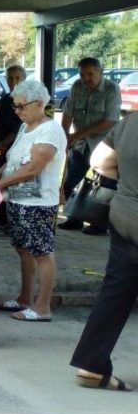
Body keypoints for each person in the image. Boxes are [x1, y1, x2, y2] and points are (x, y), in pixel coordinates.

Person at [70, 114, 137, 391]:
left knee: (115, 292)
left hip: (125, 215)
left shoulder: (130, 122)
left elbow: (98, 161)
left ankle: (92, 365)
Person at [0, 80, 67, 322]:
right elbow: (13, 158)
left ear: (39, 104)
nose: (17, 111)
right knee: (23, 249)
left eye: (21, 106)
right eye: (15, 106)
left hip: (37, 204)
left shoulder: (50, 131)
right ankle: (25, 297)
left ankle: (42, 306)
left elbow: (32, 169)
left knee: (42, 252)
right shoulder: (26, 127)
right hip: (18, 200)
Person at [59, 57, 122, 234]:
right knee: (72, 180)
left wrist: (76, 134)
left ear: (100, 71)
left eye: (90, 74)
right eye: (82, 74)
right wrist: (64, 136)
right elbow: (67, 113)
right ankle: (74, 218)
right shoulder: (77, 86)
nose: (86, 78)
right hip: (80, 144)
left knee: (104, 186)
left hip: (105, 146)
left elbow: (109, 121)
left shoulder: (111, 88)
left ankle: (100, 224)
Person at [0, 65, 28, 228]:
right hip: (4, 147)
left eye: (17, 78)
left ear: (24, 79)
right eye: (10, 78)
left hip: (20, 146)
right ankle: (3, 220)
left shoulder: (28, 99)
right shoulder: (4, 99)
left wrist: (7, 142)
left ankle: (14, 221)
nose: (14, 81)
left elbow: (22, 125)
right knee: (2, 180)